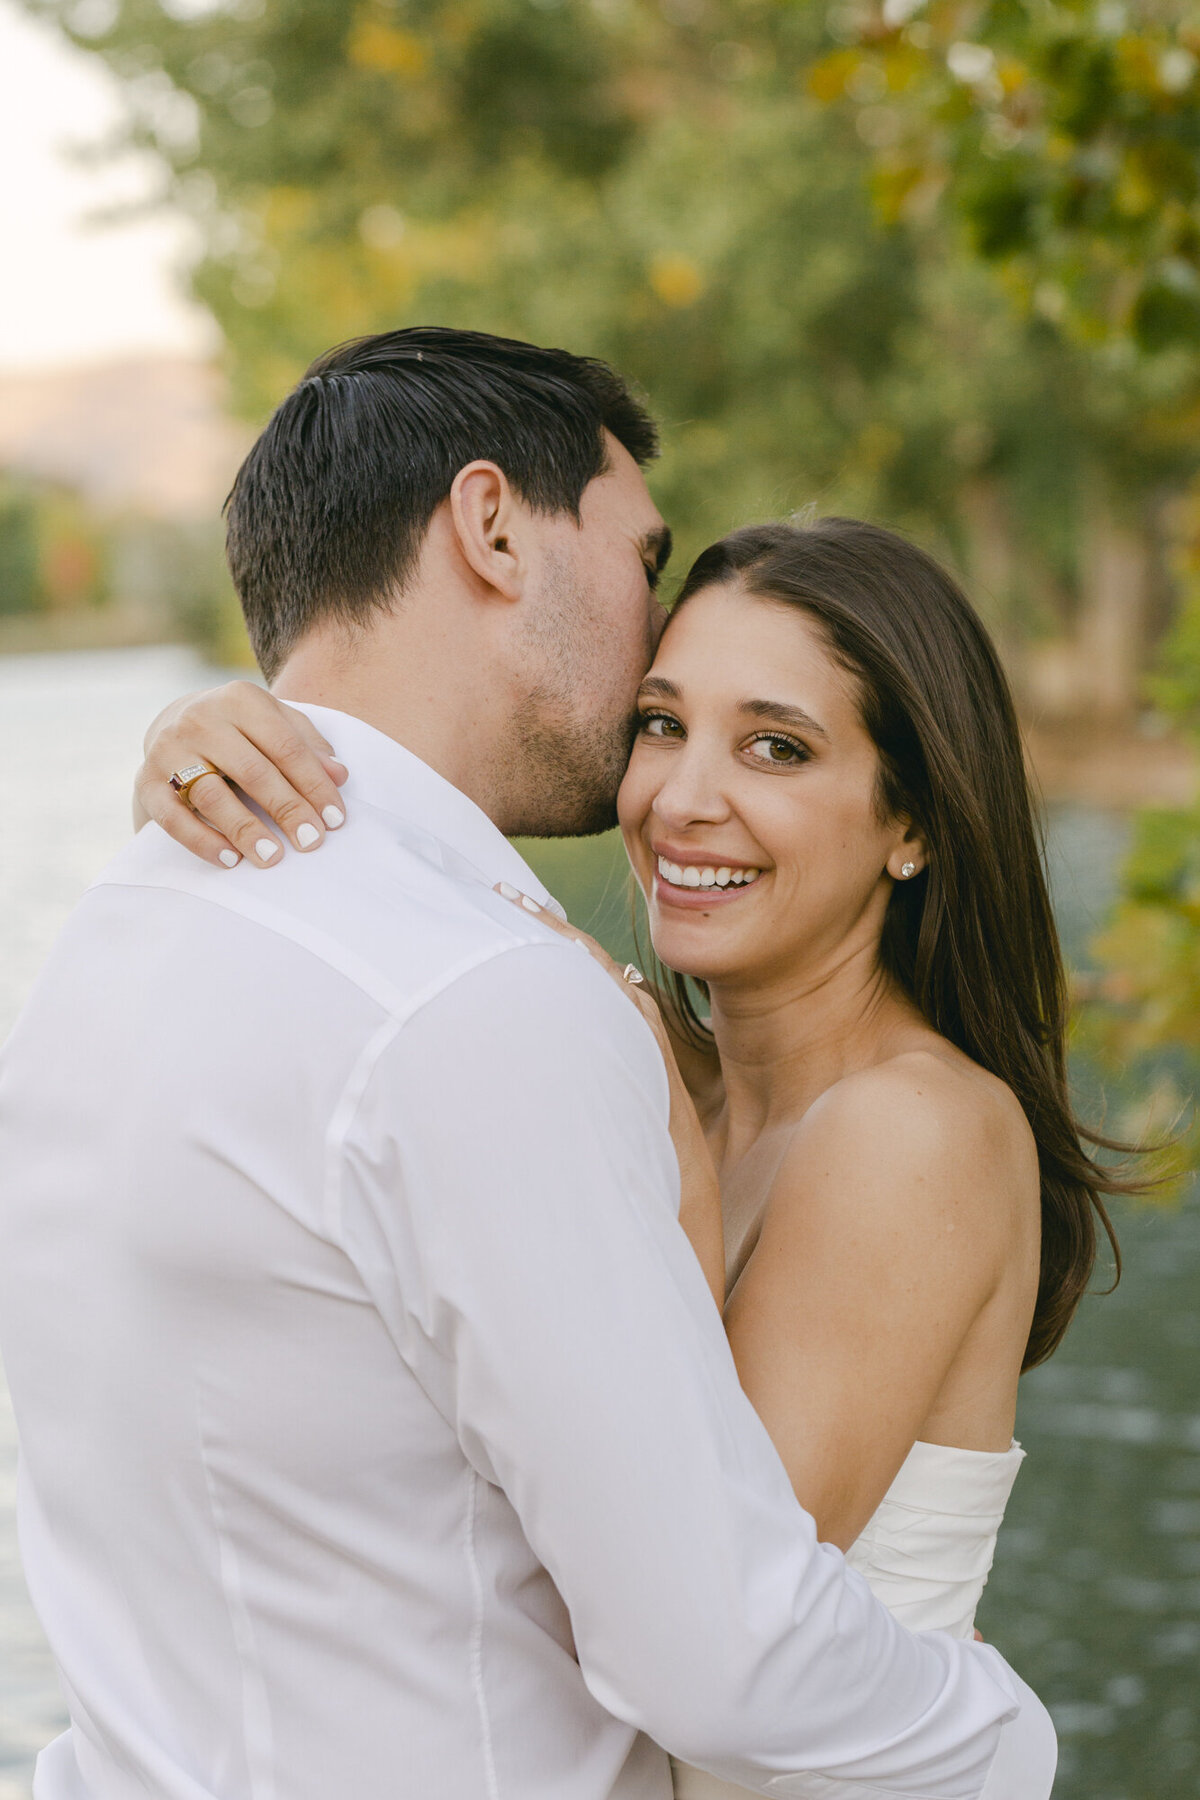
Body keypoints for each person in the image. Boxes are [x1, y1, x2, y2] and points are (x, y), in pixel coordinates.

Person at [0, 328, 1056, 1800]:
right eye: (662, 723)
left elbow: (713, 1624)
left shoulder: (900, 1130)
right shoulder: (571, 1040)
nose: (683, 796)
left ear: (913, 821)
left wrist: (1013, 1742)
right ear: (491, 526)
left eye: (778, 749)